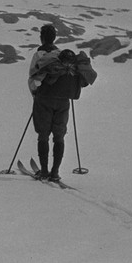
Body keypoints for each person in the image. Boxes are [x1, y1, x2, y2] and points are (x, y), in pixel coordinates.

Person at [27, 24, 97, 182]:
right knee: (59, 136)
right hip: (64, 100)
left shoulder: (40, 55)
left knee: (43, 135)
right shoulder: (62, 56)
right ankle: (55, 172)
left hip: (44, 99)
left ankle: (44, 171)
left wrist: (35, 94)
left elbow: (33, 78)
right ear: (54, 37)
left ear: (42, 37)